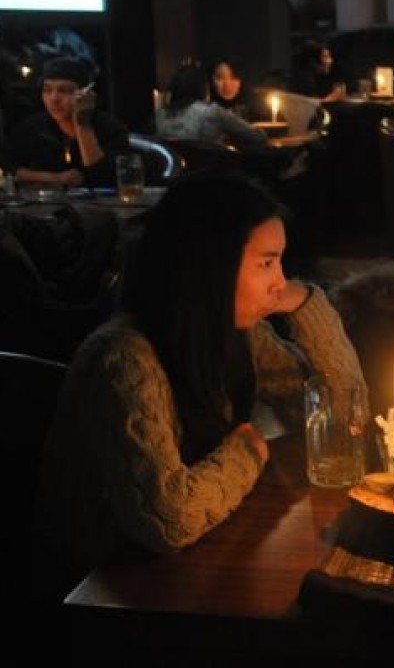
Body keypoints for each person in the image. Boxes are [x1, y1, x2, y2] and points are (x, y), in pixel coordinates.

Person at [32, 171, 367, 602]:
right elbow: (171, 520)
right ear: (211, 264)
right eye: (266, 263)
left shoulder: (236, 335)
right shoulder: (124, 358)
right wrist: (248, 450)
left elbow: (343, 412)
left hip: (175, 574)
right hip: (95, 597)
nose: (279, 280)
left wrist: (305, 303)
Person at [6, 56, 128, 188]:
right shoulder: (32, 128)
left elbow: (104, 177)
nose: (54, 98)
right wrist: (56, 178)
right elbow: (9, 170)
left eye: (64, 90)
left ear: (85, 94)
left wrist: (83, 125)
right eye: (47, 90)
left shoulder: (109, 128)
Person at [155, 62, 267, 149]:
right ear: (203, 88)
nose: (227, 84)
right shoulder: (211, 112)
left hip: (176, 175)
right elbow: (258, 137)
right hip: (211, 173)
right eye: (219, 78)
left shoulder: (159, 114)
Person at [208, 57, 271, 122]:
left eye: (233, 77)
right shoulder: (203, 111)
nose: (227, 84)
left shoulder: (257, 109)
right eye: (220, 78)